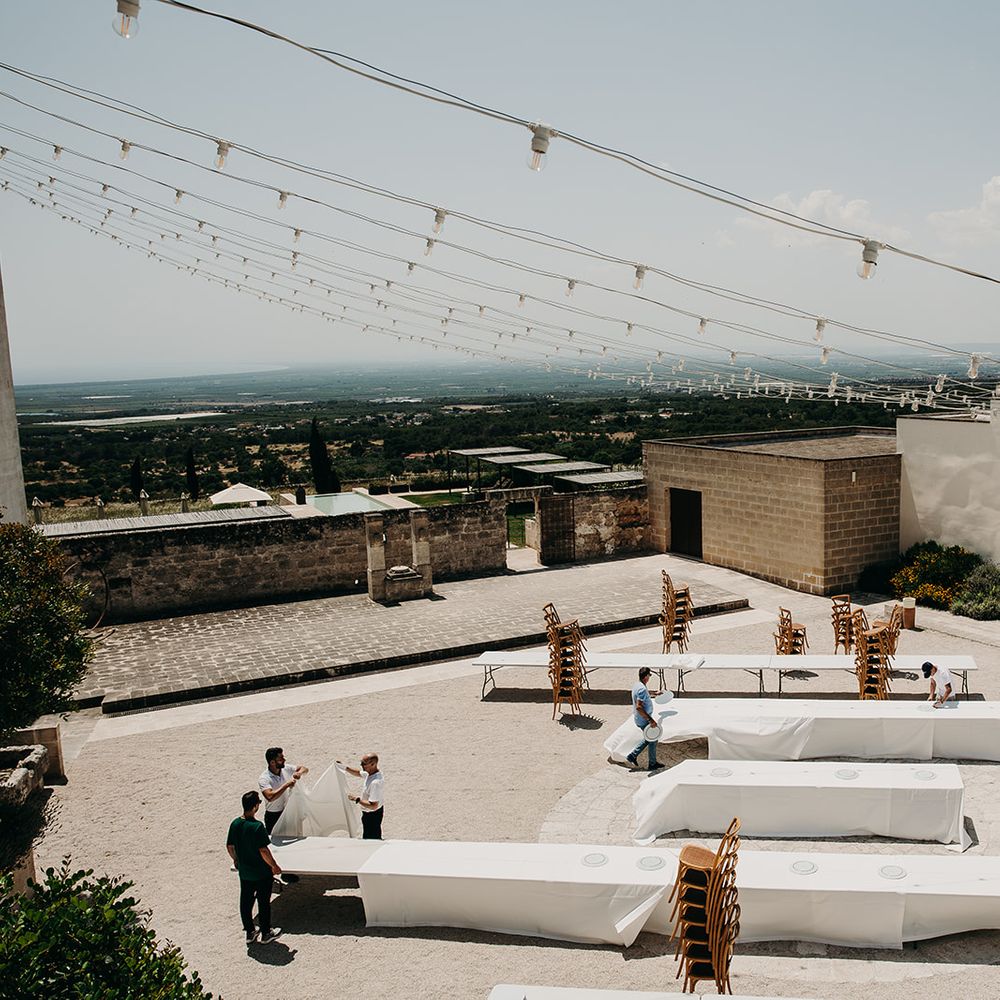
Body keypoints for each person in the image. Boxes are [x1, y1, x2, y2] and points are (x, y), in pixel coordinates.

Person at [225, 790, 283, 945]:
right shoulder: (257, 827)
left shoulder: (235, 824)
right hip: (261, 872)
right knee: (263, 902)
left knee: (245, 901)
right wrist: (274, 866)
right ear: (255, 806)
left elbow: (230, 846)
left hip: (245, 872)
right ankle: (266, 932)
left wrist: (236, 860)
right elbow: (263, 850)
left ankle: (250, 931)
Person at [258, 747, 309, 834]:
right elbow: (270, 796)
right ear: (272, 762)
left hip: (287, 812)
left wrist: (299, 773)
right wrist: (286, 785)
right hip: (274, 816)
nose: (284, 760)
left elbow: (305, 768)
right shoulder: (264, 778)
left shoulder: (286, 768)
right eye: (280, 759)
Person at [340, 753, 385, 840]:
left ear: (373, 764)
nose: (361, 765)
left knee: (372, 839)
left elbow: (373, 806)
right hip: (371, 814)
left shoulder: (375, 783)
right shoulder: (371, 773)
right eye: (361, 762)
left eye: (364, 763)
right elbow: (358, 773)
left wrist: (357, 799)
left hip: (372, 815)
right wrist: (344, 767)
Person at [626, 667, 662, 771]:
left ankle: (649, 761)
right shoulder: (641, 689)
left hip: (639, 718)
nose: (650, 677)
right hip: (643, 719)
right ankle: (635, 756)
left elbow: (643, 694)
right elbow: (639, 707)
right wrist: (651, 720)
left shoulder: (638, 685)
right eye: (649, 675)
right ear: (646, 676)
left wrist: (654, 694)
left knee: (651, 738)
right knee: (652, 738)